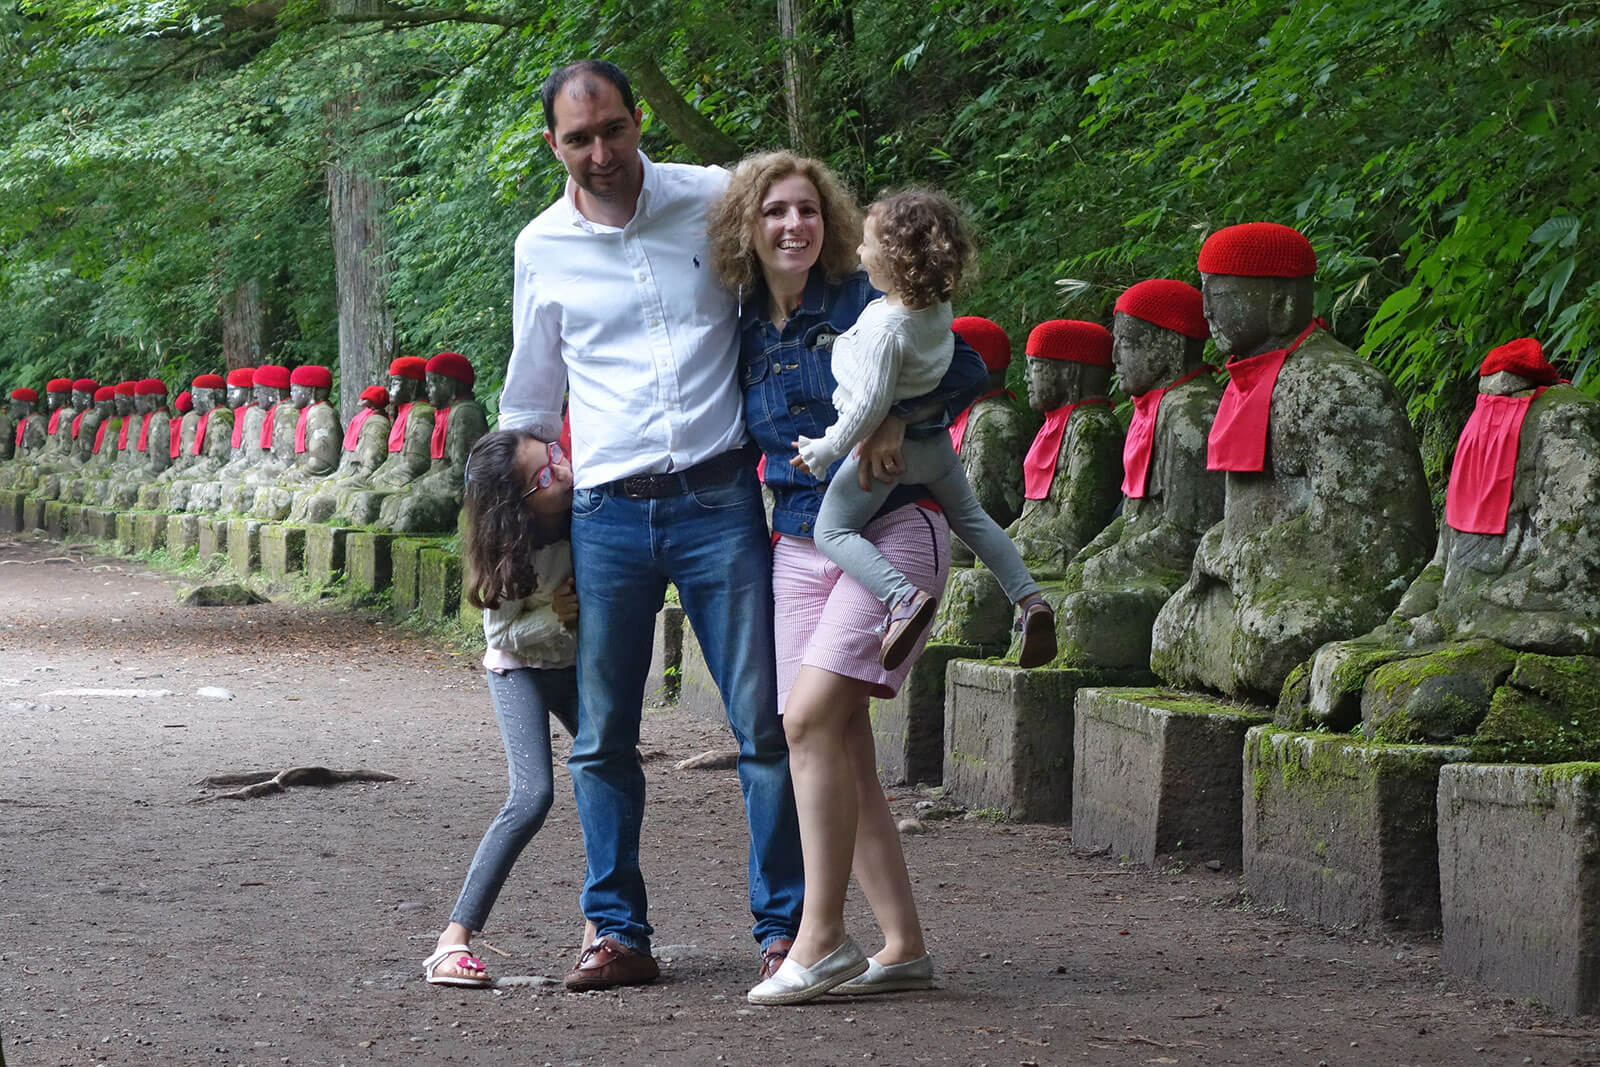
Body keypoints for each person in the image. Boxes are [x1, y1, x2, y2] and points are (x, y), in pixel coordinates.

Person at [497, 59, 804, 991]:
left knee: (762, 723)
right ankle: (617, 931)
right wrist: (523, 514)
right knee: (602, 734)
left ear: (638, 125)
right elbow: (530, 407)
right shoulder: (540, 247)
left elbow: (807, 253)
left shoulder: (714, 199)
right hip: (607, 516)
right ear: (553, 144)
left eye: (614, 130)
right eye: (579, 138)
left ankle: (787, 929)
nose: (601, 152)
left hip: (721, 502)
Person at [705, 150, 986, 1005]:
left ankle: (820, 938)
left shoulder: (867, 300)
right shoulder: (743, 319)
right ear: (747, 228)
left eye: (808, 210)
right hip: (796, 542)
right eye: (775, 212)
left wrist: (903, 411)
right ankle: (902, 945)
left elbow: (968, 364)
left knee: (807, 717)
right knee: (834, 743)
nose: (795, 225)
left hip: (891, 530)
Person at [790, 189, 1055, 671]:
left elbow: (869, 406)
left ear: (895, 258)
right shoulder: (932, 308)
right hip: (934, 446)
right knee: (972, 518)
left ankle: (900, 599)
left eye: (867, 245)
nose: (858, 252)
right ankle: (1030, 599)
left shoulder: (889, 331)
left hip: (888, 457)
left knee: (832, 530)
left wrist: (827, 450)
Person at [423, 428, 586, 987]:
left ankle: (605, 928)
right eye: (544, 477)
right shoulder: (507, 545)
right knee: (532, 794)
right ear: (515, 506)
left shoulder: (582, 505)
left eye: (556, 458)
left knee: (611, 773)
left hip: (571, 666)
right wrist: (560, 614)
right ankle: (452, 942)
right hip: (518, 669)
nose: (560, 473)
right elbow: (504, 635)